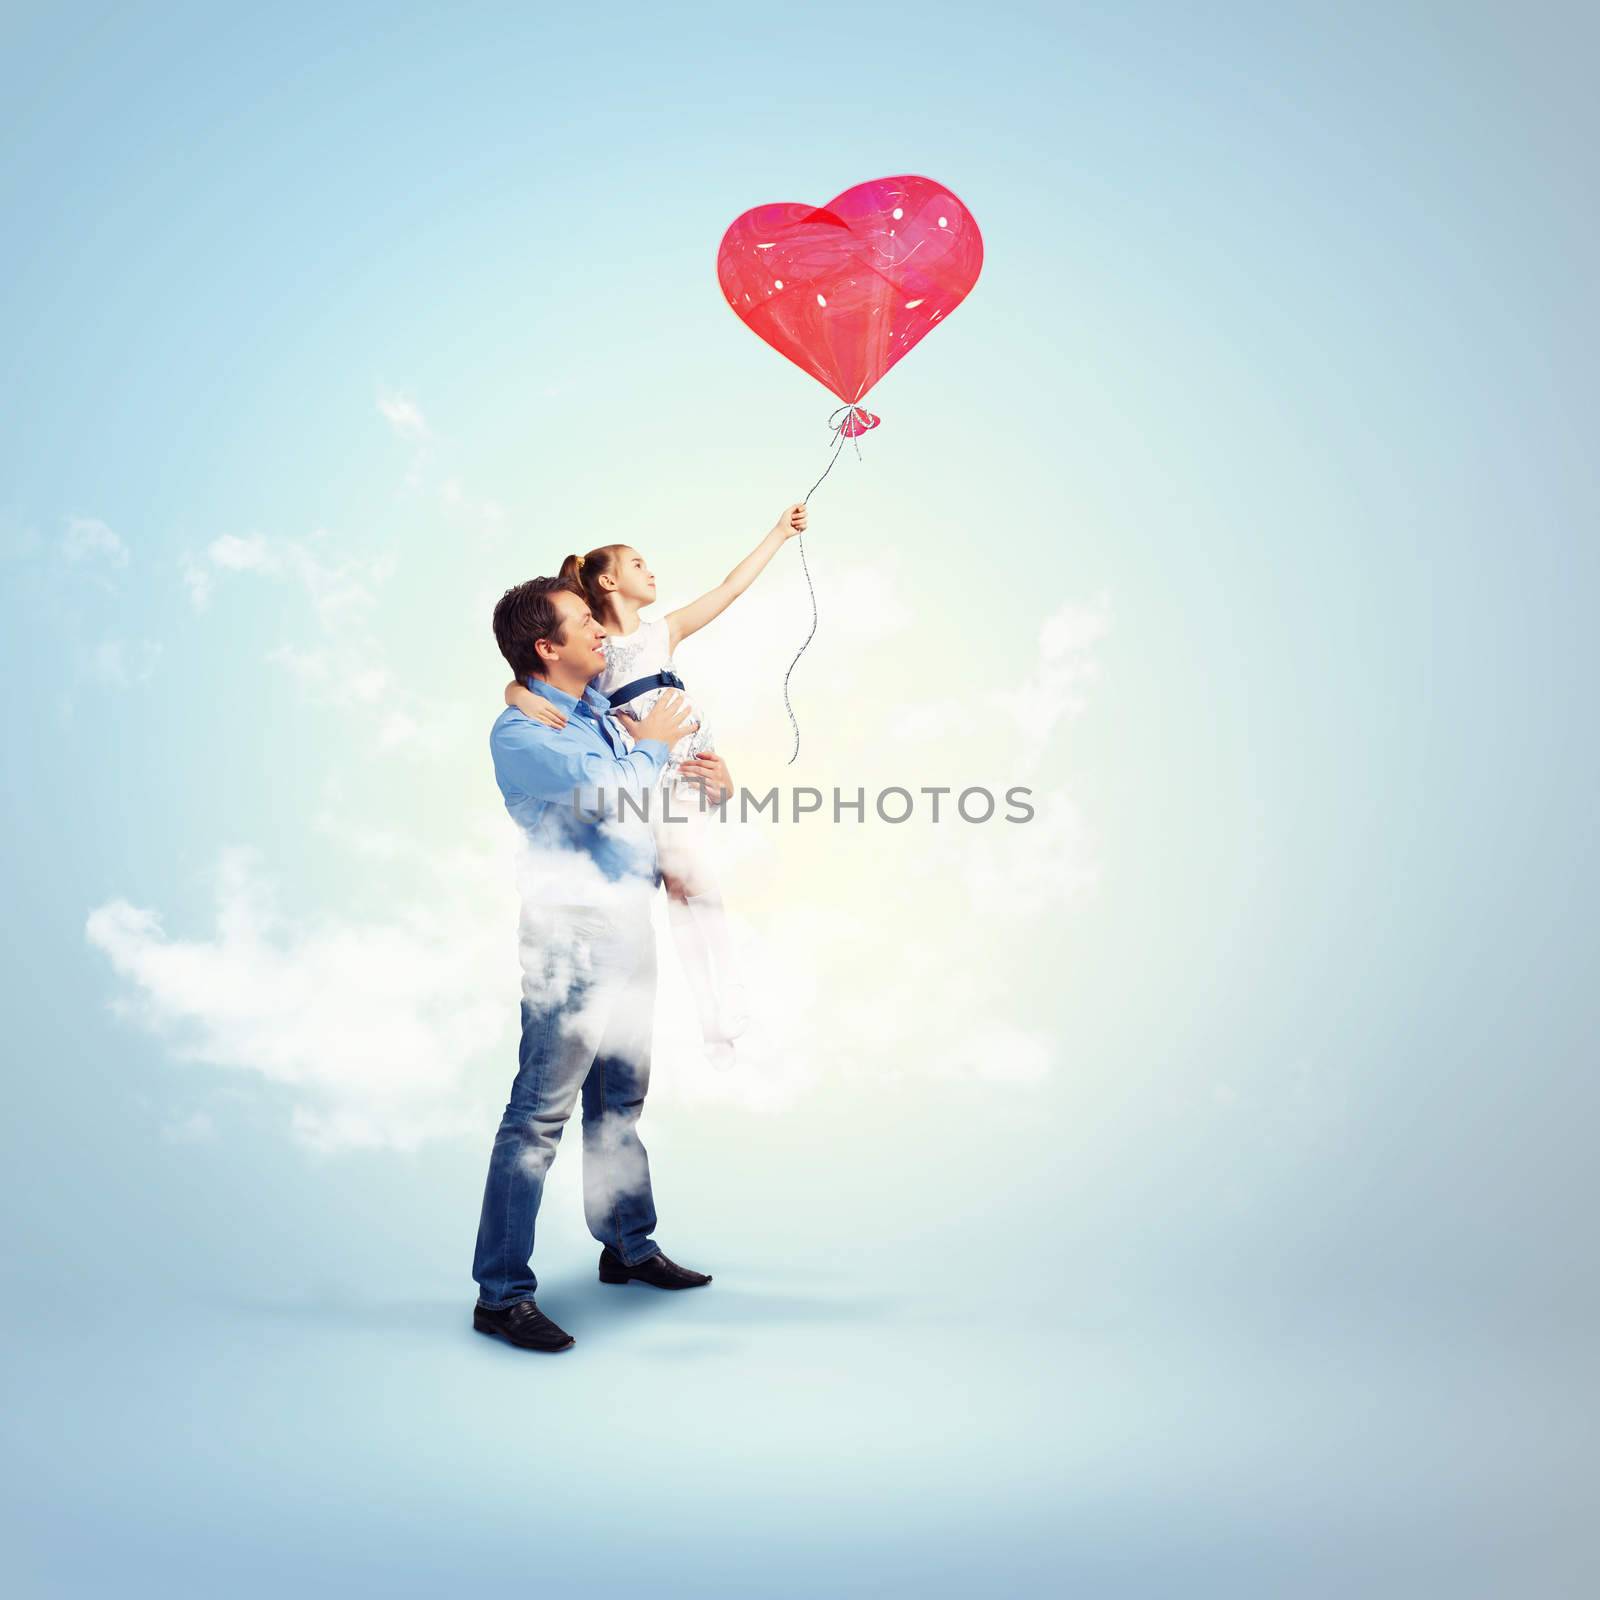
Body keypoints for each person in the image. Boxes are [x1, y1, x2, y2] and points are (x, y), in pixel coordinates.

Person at [472, 577, 733, 1354]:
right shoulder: (520, 735)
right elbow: (615, 795)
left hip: (629, 926)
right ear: (547, 647)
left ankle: (628, 1246)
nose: (604, 633)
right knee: (538, 1117)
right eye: (586, 623)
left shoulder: (585, 710)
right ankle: (500, 1295)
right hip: (570, 943)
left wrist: (710, 786)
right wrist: (652, 740)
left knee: (620, 1100)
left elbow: (650, 802)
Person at [504, 502, 807, 1067]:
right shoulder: (593, 653)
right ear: (608, 580)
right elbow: (534, 678)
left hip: (692, 766)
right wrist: (516, 695)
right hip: (655, 774)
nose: (652, 570)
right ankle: (716, 1011)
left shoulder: (662, 632)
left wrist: (777, 534)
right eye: (638, 562)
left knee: (693, 884)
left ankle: (724, 999)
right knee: (683, 885)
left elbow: (730, 589)